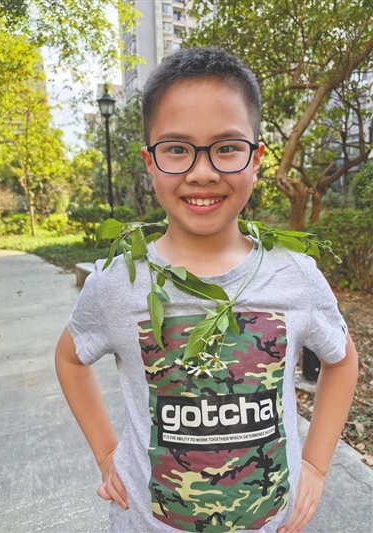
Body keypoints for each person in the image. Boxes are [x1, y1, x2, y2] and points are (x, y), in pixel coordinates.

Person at [55, 47, 358, 533]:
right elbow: (71, 359)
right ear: (150, 162)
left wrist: (316, 467)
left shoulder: (296, 276)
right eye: (177, 149)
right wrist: (108, 454)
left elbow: (342, 361)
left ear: (256, 159)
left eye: (227, 147)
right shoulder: (117, 283)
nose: (202, 172)